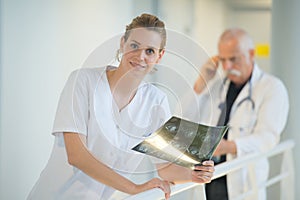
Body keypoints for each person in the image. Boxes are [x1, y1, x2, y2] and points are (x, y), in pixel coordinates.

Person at [27, 13, 214, 200]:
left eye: (150, 51)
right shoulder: (82, 81)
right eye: (134, 46)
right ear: (122, 43)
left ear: (159, 56)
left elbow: (164, 168)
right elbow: (77, 155)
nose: (140, 56)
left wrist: (195, 173)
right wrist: (134, 188)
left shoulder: (156, 101)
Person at [181, 28, 289, 200]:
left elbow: (268, 137)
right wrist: (202, 81)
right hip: (208, 177)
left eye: (233, 59)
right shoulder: (216, 86)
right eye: (222, 60)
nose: (227, 67)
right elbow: (183, 117)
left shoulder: (272, 88)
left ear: (251, 54)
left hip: (242, 180)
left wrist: (229, 146)